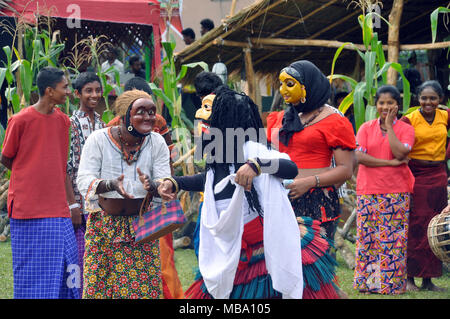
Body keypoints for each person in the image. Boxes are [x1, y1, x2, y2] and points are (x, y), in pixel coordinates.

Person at [155, 85, 304, 299]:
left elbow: (291, 168)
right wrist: (175, 182)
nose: (203, 128)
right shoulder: (219, 154)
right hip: (227, 250)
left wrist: (256, 165)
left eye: (209, 122)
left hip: (261, 250)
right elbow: (210, 181)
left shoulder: (253, 149)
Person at [77, 89, 171, 298]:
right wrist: (110, 185)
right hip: (103, 227)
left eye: (151, 111)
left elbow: (165, 178)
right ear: (126, 114)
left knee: (140, 291)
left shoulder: (156, 142)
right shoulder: (98, 140)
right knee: (100, 289)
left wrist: (156, 187)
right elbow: (83, 180)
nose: (148, 117)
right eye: (141, 111)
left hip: (142, 227)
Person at [0, 67, 79, 299]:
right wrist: (29, 174)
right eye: (64, 87)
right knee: (29, 269)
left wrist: (71, 204)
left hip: (57, 207)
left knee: (67, 261)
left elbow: (61, 164)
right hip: (27, 208)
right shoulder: (20, 119)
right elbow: (6, 156)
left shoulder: (64, 121)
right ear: (49, 91)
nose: (68, 92)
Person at [266, 60, 356, 241]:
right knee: (280, 263)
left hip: (317, 202)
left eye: (290, 84)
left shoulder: (334, 121)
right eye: (281, 84)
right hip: (280, 198)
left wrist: (309, 183)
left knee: (311, 263)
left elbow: (346, 169)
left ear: (308, 86)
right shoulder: (281, 119)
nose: (283, 89)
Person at [353, 85, 415, 295]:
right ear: (376, 104)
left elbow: (399, 153)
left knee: (393, 239)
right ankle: (368, 283)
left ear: (398, 105)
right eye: (381, 102)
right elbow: (359, 157)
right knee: (368, 238)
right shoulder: (365, 127)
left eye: (390, 102)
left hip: (396, 191)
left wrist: (389, 127)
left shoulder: (406, 129)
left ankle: (390, 285)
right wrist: (389, 164)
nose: (385, 106)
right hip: (367, 189)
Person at [400, 80, 448, 292]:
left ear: (440, 100)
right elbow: (399, 146)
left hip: (438, 176)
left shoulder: (445, 116)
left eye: (433, 98)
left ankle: (429, 280)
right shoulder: (409, 119)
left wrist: (445, 156)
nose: (428, 102)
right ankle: (409, 278)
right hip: (416, 175)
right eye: (424, 98)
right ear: (417, 99)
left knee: (434, 225)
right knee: (416, 225)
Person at [65, 72, 106, 296]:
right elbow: (67, 168)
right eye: (88, 91)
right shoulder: (70, 124)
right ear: (78, 94)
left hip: (100, 205)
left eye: (98, 90)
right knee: (79, 258)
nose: (94, 95)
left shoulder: (103, 124)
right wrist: (73, 205)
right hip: (79, 205)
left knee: (98, 259)